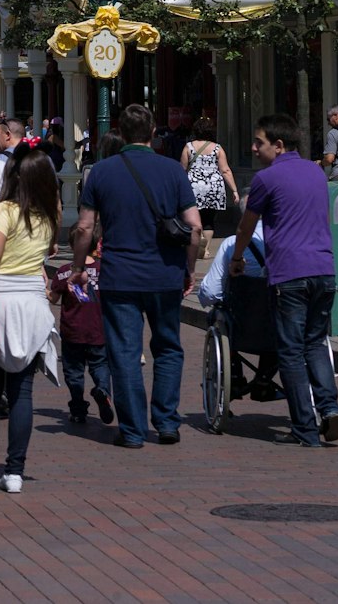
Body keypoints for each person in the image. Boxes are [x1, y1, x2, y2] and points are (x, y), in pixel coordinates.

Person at [69, 104, 199, 448]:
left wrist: (79, 268)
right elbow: (195, 227)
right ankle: (167, 422)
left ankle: (132, 430)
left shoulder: (101, 173)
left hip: (120, 276)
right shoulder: (173, 171)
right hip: (165, 274)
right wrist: (189, 269)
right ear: (153, 131)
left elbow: (84, 227)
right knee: (169, 348)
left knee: (125, 353)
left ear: (121, 133)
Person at [231, 114, 338, 447]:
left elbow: (246, 226)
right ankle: (329, 406)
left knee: (291, 351)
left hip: (290, 273)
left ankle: (306, 428)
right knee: (316, 342)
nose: (253, 149)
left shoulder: (267, 179)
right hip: (324, 270)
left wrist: (238, 258)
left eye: (259, 142)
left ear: (279, 146)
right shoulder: (315, 172)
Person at [0, 145, 60, 496]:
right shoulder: (48, 216)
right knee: (22, 391)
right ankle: (16, 471)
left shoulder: (5, 211)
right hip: (33, 305)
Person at [197, 218, 281, 405]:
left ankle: (234, 378)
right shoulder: (287, 242)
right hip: (277, 323)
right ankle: (263, 380)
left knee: (218, 317)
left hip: (242, 325)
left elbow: (211, 292)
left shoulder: (231, 244)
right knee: (279, 321)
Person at [49, 248, 113, 426]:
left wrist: (41, 288)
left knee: (73, 371)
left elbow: (53, 298)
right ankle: (102, 390)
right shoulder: (104, 270)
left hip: (72, 331)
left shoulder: (63, 271)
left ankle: (78, 410)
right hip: (98, 329)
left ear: (71, 245)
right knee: (100, 364)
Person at [180, 118, 238, 235]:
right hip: (213, 187)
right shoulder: (217, 148)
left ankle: (198, 245)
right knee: (209, 220)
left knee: (194, 218)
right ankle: (206, 249)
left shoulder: (189, 147)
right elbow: (225, 170)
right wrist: (234, 190)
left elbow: (182, 170)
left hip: (194, 187)